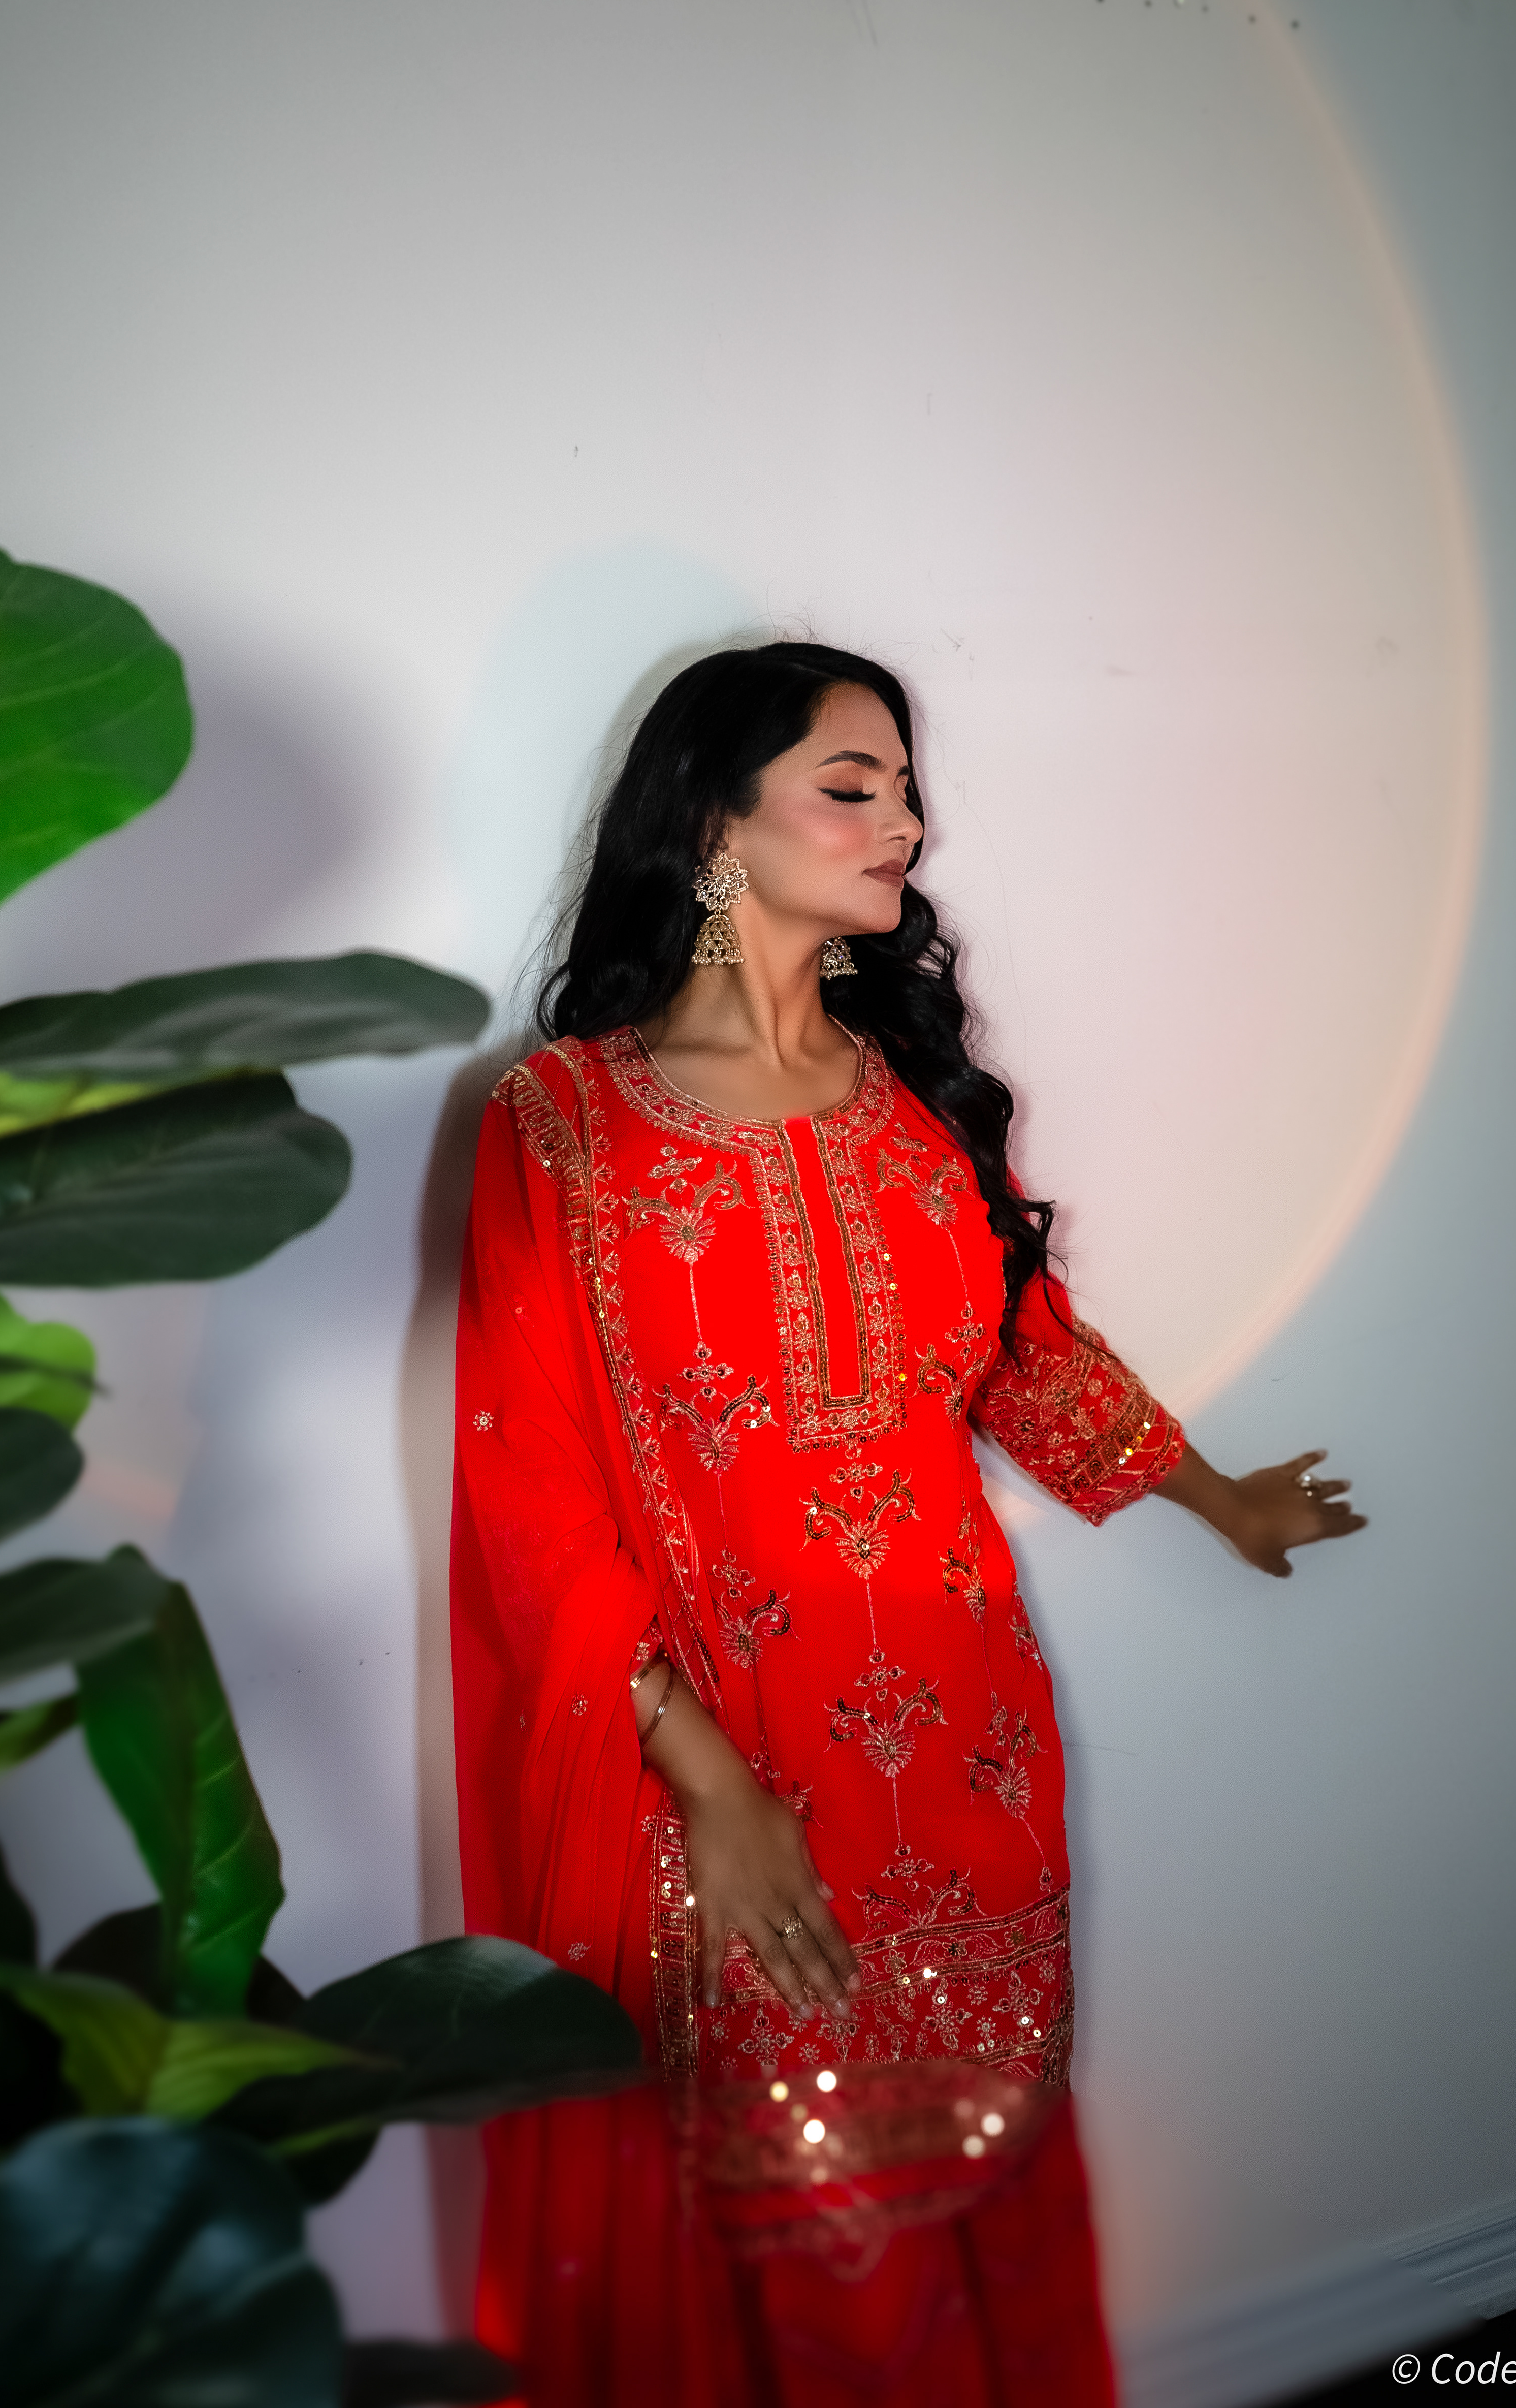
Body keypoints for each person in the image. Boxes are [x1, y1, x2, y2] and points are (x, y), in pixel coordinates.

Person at [449, 643, 1364, 2406]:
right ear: (714, 826)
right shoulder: (562, 1126)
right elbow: (535, 1507)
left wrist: (1217, 1497)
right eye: (852, 787)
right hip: (727, 1778)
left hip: (973, 1760)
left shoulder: (912, 1098)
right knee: (792, 2242)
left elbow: (1026, 1355)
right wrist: (715, 1795)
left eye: (908, 790)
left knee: (975, 2204)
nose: (908, 825)